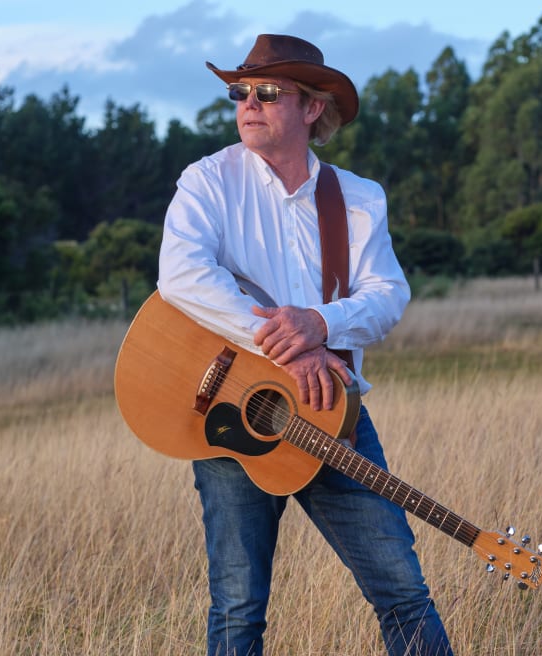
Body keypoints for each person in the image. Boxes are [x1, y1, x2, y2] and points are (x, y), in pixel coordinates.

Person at [157, 34, 454, 656]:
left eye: (268, 92)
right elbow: (181, 277)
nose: (249, 103)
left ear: (313, 108)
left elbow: (388, 295)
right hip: (232, 411)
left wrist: (320, 324)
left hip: (332, 414)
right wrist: (288, 347)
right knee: (238, 610)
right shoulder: (208, 181)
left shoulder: (359, 198)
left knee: (403, 593)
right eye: (240, 92)